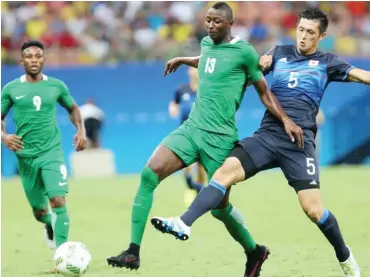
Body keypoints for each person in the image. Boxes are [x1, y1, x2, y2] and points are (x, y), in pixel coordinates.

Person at [152, 8, 370, 277]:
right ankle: (184, 222)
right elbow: (231, 62)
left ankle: (345, 256)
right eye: (300, 29)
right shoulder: (279, 53)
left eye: (310, 32)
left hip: (299, 144)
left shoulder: (328, 62)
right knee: (223, 174)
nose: (303, 36)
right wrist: (187, 60)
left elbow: (363, 75)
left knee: (314, 210)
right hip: (267, 136)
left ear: (322, 36)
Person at [107, 2, 303, 277]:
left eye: (216, 21)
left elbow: (264, 92)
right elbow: (209, 60)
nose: (210, 25)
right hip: (192, 129)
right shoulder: (206, 44)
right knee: (149, 174)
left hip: (220, 139)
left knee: (220, 210)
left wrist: (285, 119)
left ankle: (254, 251)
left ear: (230, 24)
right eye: (208, 20)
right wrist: (184, 59)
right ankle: (132, 252)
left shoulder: (244, 52)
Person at [1, 40, 87, 252]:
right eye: (29, 56)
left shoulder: (56, 86)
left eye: (38, 56)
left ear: (43, 59)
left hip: (52, 152)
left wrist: (80, 130)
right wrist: (3, 136)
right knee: (39, 211)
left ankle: (63, 254)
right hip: (25, 156)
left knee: (58, 200)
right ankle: (49, 223)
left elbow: (73, 108)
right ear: (21, 60)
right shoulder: (11, 88)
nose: (34, 60)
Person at [169, 66, 206, 196]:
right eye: (192, 68)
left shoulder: (205, 89)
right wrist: (173, 108)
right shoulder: (181, 90)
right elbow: (174, 102)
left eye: (196, 68)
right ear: (188, 72)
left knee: (202, 166)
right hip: (186, 133)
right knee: (187, 164)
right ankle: (190, 184)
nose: (194, 71)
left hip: (202, 133)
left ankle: (200, 192)